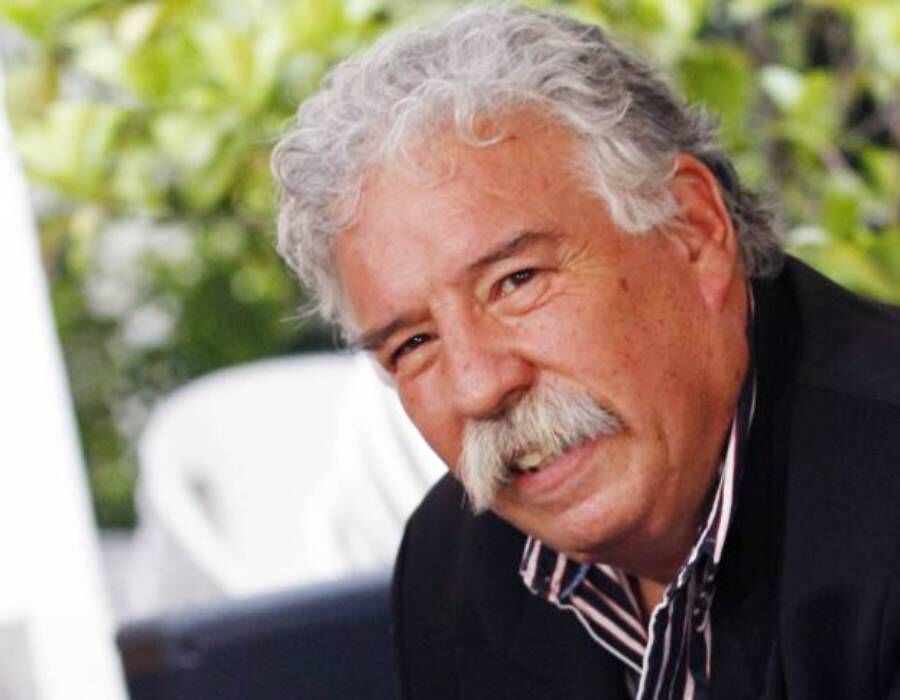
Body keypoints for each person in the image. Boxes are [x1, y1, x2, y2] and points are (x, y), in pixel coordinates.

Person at [271, 5, 900, 698]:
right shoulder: (453, 567)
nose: (479, 386)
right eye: (413, 343)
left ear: (691, 230)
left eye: (517, 282)